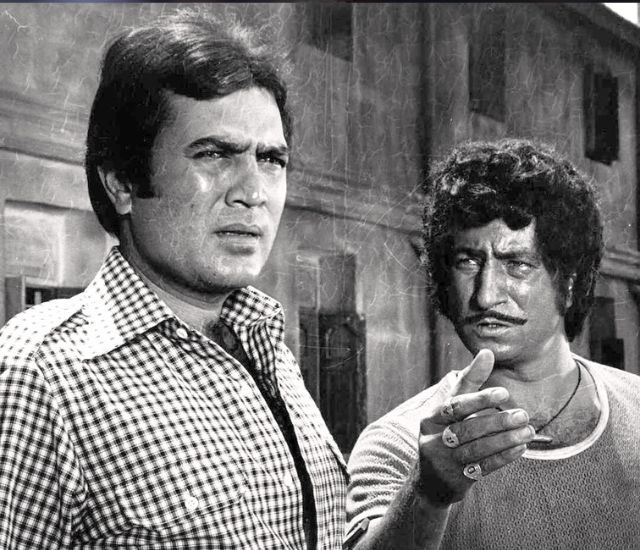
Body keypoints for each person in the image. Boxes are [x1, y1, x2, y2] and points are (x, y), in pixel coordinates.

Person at [0, 11, 347, 549]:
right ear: (122, 183)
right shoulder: (42, 374)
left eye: (271, 159)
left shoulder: (268, 352)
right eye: (214, 154)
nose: (252, 192)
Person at [344, 138, 640, 549]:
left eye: (517, 265)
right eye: (467, 262)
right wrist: (427, 495)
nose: (485, 296)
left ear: (569, 284)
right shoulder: (397, 443)